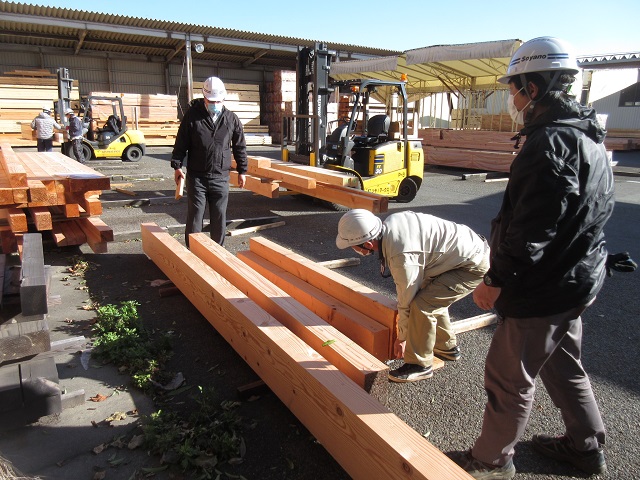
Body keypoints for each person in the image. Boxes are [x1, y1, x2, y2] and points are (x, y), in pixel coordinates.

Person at [449, 37, 615, 479]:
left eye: (515, 87)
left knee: (508, 378)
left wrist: (495, 279)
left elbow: (532, 229)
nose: (512, 97)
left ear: (533, 88)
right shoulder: (589, 138)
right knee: (565, 367)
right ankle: (585, 448)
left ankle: (488, 462)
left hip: (542, 289)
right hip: (576, 280)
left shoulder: (550, 144)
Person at [335, 209, 490, 382]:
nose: (352, 249)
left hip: (471, 267)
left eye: (352, 246)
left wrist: (402, 338)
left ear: (368, 244)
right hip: (461, 256)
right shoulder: (391, 225)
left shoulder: (401, 254)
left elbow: (406, 300)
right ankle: (446, 347)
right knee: (431, 296)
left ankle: (420, 365)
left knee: (423, 305)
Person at [171, 76, 247, 247]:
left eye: (218, 100)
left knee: (219, 216)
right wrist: (177, 166)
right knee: (196, 215)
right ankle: (193, 251)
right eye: (211, 100)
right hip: (197, 177)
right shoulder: (192, 117)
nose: (214, 103)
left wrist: (242, 171)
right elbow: (181, 142)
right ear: (204, 97)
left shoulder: (231, 119)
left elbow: (239, 146)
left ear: (223, 98)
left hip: (220, 177)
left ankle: (217, 252)